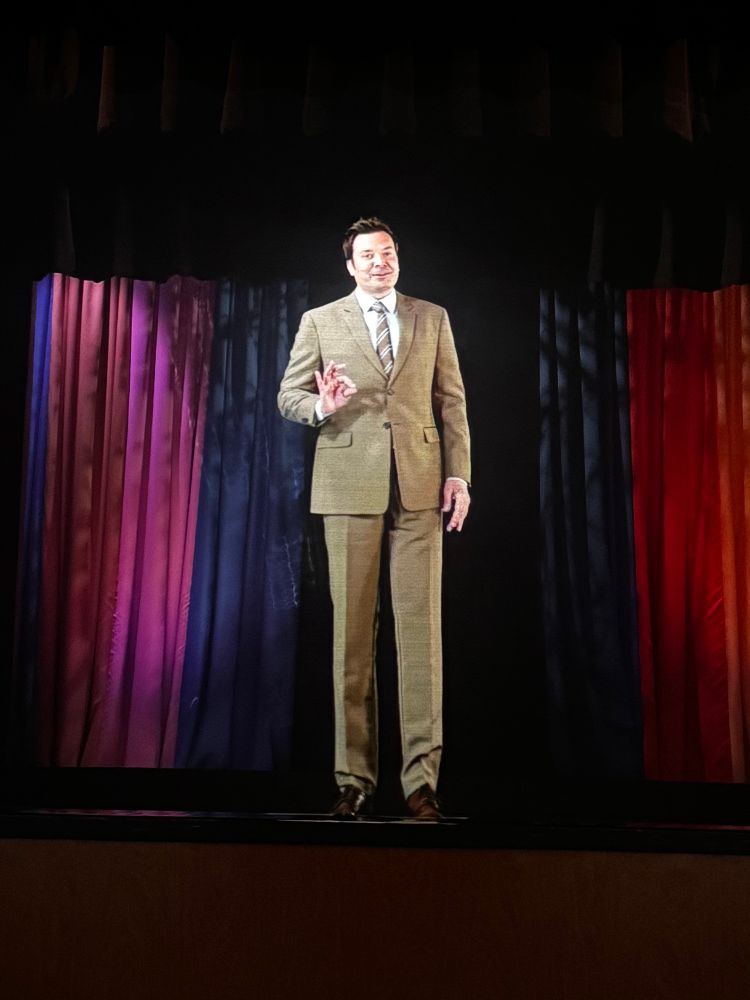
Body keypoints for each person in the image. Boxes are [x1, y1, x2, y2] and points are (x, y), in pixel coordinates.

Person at [278, 217, 471, 820]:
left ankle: (421, 784)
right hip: (347, 486)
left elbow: (451, 402)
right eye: (368, 255)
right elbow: (288, 395)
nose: (379, 262)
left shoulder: (430, 317)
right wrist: (322, 404)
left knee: (421, 639)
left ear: (397, 258)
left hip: (419, 487)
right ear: (350, 265)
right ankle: (353, 780)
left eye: (387, 252)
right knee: (352, 639)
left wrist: (459, 475)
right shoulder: (320, 321)